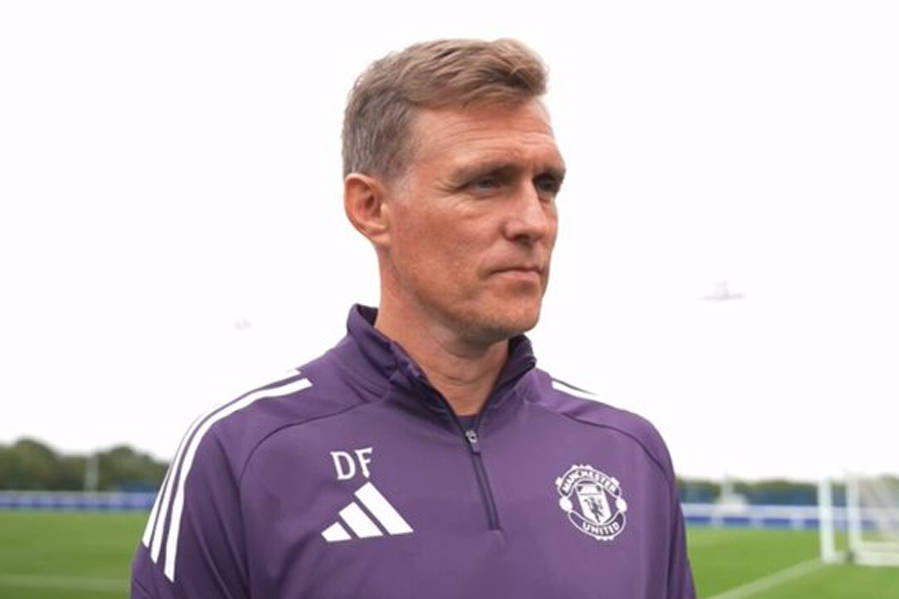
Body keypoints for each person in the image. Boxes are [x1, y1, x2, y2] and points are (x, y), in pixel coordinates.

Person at [131, 37, 696, 598]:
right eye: (486, 183)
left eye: (545, 186)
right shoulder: (246, 453)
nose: (533, 222)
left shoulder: (628, 453)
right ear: (371, 208)